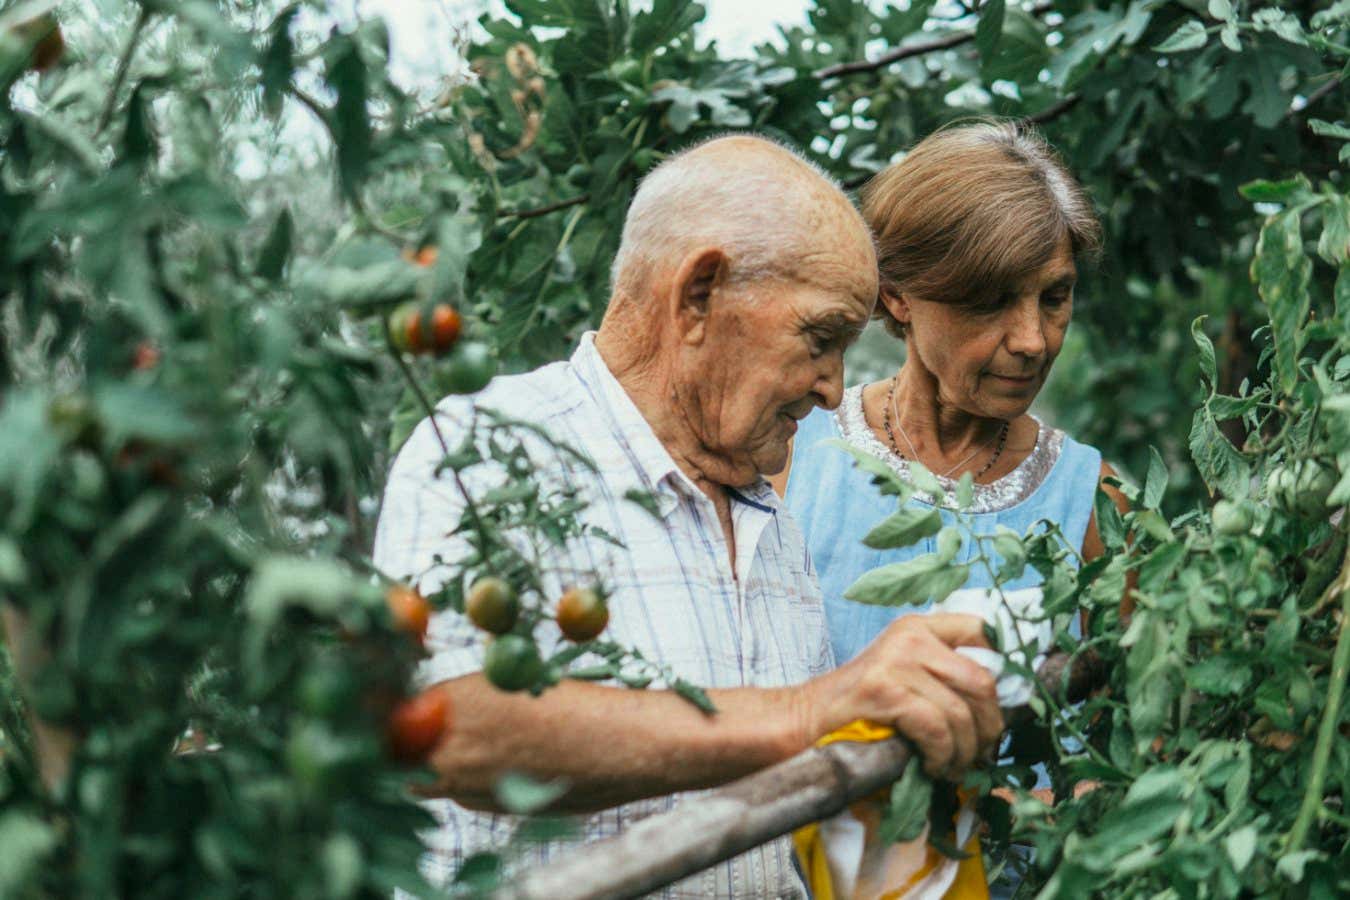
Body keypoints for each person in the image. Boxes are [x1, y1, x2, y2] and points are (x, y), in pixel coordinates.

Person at [373, 135, 1004, 898]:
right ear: (699, 296)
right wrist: (813, 709)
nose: (836, 390)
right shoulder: (491, 447)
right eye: (822, 337)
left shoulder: (774, 525)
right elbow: (444, 727)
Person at [771, 121, 1128, 666]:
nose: (1033, 341)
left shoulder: (1095, 505)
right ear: (897, 298)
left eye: (1055, 297)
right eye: (990, 303)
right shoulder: (790, 459)